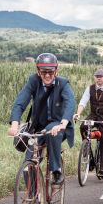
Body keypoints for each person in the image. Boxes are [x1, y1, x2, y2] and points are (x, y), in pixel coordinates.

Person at [8, 53, 75, 185]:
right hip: (38, 128)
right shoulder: (33, 81)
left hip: (58, 125)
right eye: (44, 72)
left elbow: (70, 103)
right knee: (28, 164)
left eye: (50, 71)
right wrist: (14, 125)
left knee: (52, 130)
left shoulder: (63, 83)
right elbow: (20, 103)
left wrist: (63, 123)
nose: (47, 75)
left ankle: (56, 171)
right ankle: (33, 196)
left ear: (56, 71)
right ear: (38, 71)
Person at [73, 68, 103, 179]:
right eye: (97, 76)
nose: (99, 78)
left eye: (101, 76)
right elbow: (83, 102)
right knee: (83, 126)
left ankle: (102, 169)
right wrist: (78, 114)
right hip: (93, 115)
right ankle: (87, 152)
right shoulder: (90, 88)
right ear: (94, 77)